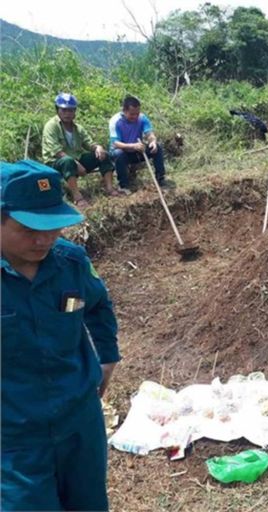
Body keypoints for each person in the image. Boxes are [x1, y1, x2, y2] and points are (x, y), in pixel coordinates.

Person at [1, 160, 121, 511]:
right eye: (28, 228)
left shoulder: (71, 262)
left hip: (79, 423)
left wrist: (108, 356)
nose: (43, 239)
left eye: (52, 226)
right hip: (15, 438)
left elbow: (98, 304)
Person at [42, 92, 121, 208]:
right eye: (64, 110)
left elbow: (89, 143)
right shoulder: (51, 126)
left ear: (74, 111)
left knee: (103, 155)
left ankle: (109, 188)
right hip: (55, 162)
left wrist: (98, 147)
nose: (67, 113)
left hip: (76, 159)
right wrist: (76, 163)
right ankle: (77, 197)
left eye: (71, 110)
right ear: (57, 110)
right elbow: (56, 151)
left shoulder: (77, 128)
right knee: (67, 161)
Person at [109, 95, 172, 192]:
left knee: (157, 148)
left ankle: (161, 179)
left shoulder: (142, 118)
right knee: (118, 154)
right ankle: (123, 185)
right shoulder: (115, 121)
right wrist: (133, 146)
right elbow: (115, 143)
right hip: (123, 153)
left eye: (137, 114)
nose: (135, 117)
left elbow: (149, 134)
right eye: (132, 114)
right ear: (124, 111)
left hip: (137, 151)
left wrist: (153, 141)